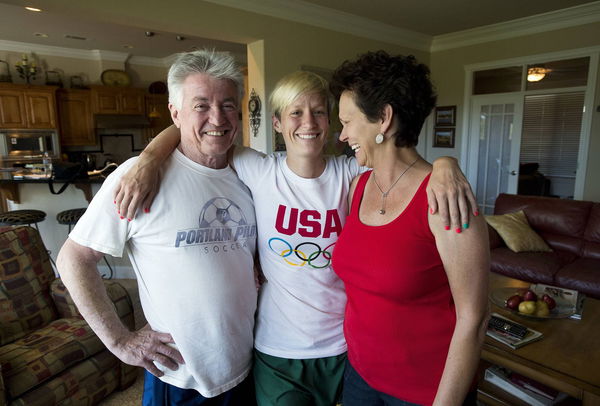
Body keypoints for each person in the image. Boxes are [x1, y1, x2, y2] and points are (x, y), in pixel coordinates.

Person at [113, 70, 477, 405]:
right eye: (295, 113)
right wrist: (147, 158)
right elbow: (203, 130)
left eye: (320, 113)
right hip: (280, 346)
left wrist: (446, 164)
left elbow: (401, 162)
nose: (309, 123)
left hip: (345, 346)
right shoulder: (257, 168)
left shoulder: (352, 173)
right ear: (277, 123)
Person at [56, 50, 258, 405]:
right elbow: (74, 258)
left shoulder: (250, 173)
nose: (217, 117)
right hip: (178, 376)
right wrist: (120, 341)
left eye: (228, 104)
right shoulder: (138, 177)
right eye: (201, 105)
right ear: (174, 112)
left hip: (246, 365)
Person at [330, 50, 490, 406]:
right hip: (359, 378)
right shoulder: (357, 188)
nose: (341, 135)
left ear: (383, 118)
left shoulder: (444, 199)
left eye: (348, 121)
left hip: (425, 392)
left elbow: (474, 319)